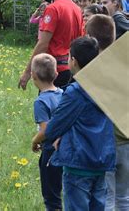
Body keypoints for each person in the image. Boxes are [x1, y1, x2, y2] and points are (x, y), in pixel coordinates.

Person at [32, 37, 116, 211]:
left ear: (73, 61)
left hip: (79, 164)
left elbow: (54, 127)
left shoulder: (76, 92)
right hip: (102, 160)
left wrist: (36, 140)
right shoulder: (106, 87)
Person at [85, 16, 129, 211]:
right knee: (124, 196)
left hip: (108, 143)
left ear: (89, 36)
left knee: (108, 197)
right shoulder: (123, 61)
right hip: (126, 140)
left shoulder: (93, 71)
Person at [18, 0, 83, 90]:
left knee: (48, 107)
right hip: (71, 68)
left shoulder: (53, 8)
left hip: (55, 71)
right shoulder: (76, 8)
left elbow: (43, 43)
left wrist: (27, 72)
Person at [29, 53, 63, 210]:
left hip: (50, 152)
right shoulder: (63, 94)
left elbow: (46, 129)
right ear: (56, 74)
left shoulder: (41, 101)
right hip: (65, 148)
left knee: (51, 198)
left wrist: (35, 141)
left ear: (33, 76)